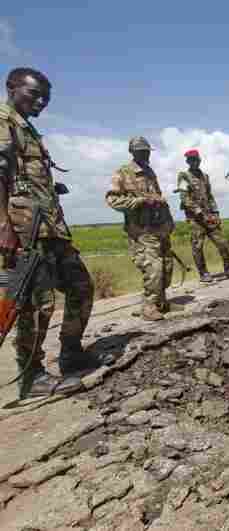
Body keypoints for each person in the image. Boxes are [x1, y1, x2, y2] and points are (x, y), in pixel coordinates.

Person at [0, 67, 110, 399]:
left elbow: (19, 175)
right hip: (23, 232)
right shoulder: (3, 122)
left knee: (80, 286)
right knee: (37, 304)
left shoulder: (27, 129)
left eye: (46, 97)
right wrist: (3, 225)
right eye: (34, 94)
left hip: (49, 228)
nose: (41, 101)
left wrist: (49, 187)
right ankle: (31, 377)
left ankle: (71, 353)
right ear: (11, 88)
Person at [107, 136, 175, 322]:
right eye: (141, 151)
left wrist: (168, 221)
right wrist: (140, 201)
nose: (146, 154)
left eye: (147, 151)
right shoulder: (123, 173)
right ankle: (149, 307)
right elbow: (112, 200)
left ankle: (160, 303)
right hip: (141, 231)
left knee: (167, 268)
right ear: (133, 152)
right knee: (154, 269)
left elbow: (157, 197)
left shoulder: (150, 172)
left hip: (159, 227)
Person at [177, 149, 229, 283]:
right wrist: (198, 212)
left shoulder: (205, 176)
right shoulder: (183, 176)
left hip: (209, 216)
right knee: (197, 247)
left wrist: (216, 213)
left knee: (222, 243)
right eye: (191, 160)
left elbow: (210, 197)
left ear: (199, 160)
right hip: (195, 219)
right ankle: (203, 273)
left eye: (196, 160)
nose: (194, 162)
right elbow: (184, 197)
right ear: (187, 162)